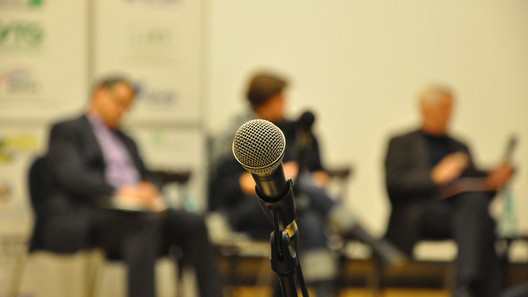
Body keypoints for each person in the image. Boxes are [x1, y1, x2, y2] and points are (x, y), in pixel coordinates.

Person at [209, 71, 405, 297]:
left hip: (299, 206)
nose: (286, 103)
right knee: (303, 191)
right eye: (281, 98)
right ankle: (365, 241)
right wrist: (255, 178)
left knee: (307, 212)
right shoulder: (240, 135)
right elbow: (222, 188)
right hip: (254, 208)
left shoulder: (298, 132)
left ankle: (321, 287)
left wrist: (314, 178)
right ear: (267, 100)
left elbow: (320, 171)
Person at [44, 76, 223, 297]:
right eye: (118, 102)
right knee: (143, 222)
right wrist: (119, 191)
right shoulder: (67, 130)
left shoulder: (126, 139)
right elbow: (71, 175)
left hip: (135, 210)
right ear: (99, 94)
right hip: (92, 211)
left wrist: (150, 189)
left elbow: (146, 174)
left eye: (127, 106)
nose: (122, 111)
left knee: (193, 222)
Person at [383, 84, 515, 297]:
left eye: (451, 109)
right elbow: (394, 186)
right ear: (424, 109)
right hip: (420, 214)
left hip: (459, 212)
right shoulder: (401, 142)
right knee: (479, 217)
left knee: (477, 211)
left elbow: (477, 190)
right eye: (443, 108)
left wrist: (492, 182)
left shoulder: (459, 145)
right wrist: (434, 177)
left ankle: (468, 285)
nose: (449, 115)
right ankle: (473, 287)